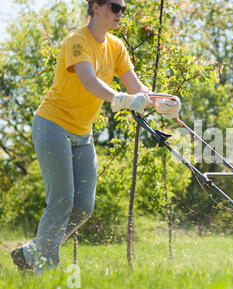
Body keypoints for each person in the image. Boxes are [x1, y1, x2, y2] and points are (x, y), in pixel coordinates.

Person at [10, 0, 180, 274]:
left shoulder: (116, 47)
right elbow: (89, 81)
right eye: (115, 7)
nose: (120, 14)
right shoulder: (77, 40)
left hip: (82, 134)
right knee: (62, 201)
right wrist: (123, 100)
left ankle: (32, 252)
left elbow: (137, 89)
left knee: (83, 207)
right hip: (53, 124)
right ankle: (43, 271)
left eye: (123, 8)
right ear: (96, 7)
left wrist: (161, 103)